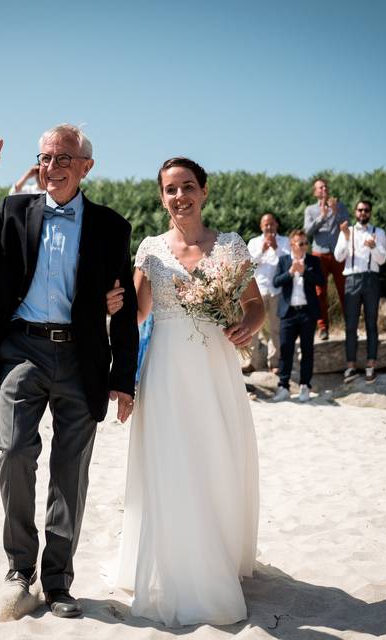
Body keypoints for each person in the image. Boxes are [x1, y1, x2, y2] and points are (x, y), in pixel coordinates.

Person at [0, 125, 138, 619]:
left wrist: (123, 378)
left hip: (81, 359)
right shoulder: (14, 212)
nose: (52, 166)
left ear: (86, 166)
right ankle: (18, 568)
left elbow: (124, 302)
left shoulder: (111, 226)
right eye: (45, 157)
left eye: (63, 157)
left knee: (69, 474)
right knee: (13, 453)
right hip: (23, 353)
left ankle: (58, 580)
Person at [114, 156, 262, 627]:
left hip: (216, 368)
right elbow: (135, 315)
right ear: (162, 197)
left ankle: (218, 551)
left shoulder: (232, 245)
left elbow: (255, 305)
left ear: (204, 191)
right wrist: (110, 305)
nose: (180, 196)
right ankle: (181, 566)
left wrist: (247, 325)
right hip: (167, 369)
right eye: (171, 189)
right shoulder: (151, 249)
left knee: (216, 458)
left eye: (188, 186)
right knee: (172, 461)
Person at [334, 200, 386, 383]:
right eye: (360, 210)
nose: (363, 213)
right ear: (355, 212)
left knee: (371, 323)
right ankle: (351, 366)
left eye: (366, 210)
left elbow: (382, 260)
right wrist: (347, 237)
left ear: (370, 213)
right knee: (350, 325)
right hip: (352, 279)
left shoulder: (378, 232)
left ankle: (371, 365)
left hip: (371, 278)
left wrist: (374, 246)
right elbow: (338, 256)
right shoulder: (347, 231)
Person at [272, 229, 323, 402]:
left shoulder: (313, 260)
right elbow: (276, 282)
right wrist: (290, 272)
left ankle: (305, 385)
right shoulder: (283, 260)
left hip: (308, 312)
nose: (303, 246)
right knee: (285, 349)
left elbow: (321, 281)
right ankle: (283, 386)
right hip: (288, 312)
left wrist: (304, 272)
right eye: (300, 243)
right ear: (292, 244)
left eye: (305, 243)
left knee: (307, 350)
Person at [303, 178, 349, 340]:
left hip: (338, 253)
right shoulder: (310, 210)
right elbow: (308, 231)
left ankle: (350, 327)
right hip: (319, 254)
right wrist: (322, 217)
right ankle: (323, 328)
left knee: (344, 290)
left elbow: (346, 226)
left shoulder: (340, 206)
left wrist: (335, 213)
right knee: (320, 293)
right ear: (315, 192)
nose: (324, 189)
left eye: (325, 187)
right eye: (320, 187)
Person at [247, 212, 290, 372]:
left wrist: (276, 248)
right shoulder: (254, 242)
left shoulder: (285, 242)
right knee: (252, 328)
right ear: (261, 226)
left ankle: (275, 362)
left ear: (276, 225)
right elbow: (249, 264)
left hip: (277, 291)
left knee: (276, 328)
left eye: (272, 224)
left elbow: (288, 261)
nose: (269, 227)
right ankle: (251, 362)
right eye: (266, 224)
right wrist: (263, 250)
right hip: (258, 290)